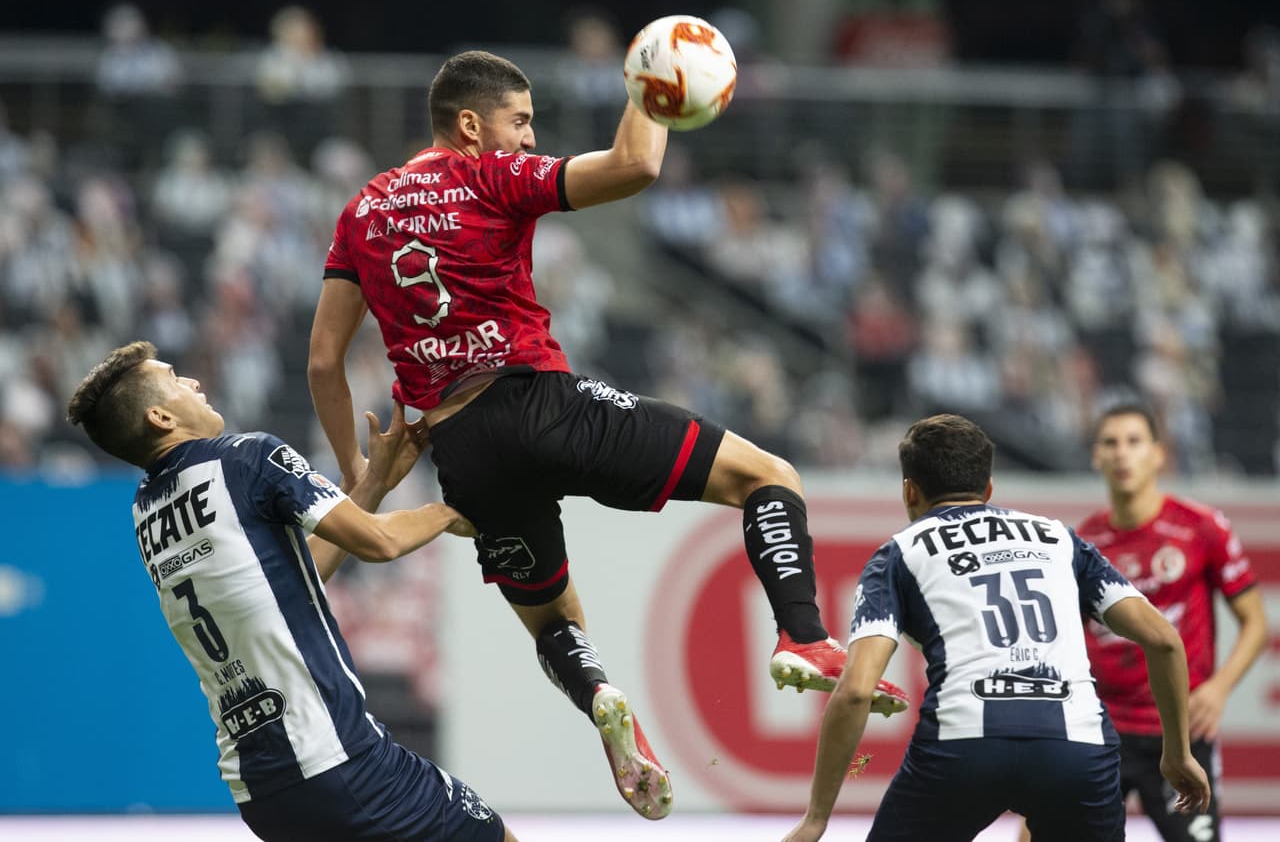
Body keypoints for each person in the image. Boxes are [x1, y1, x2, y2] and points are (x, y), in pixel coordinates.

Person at [307, 49, 909, 820]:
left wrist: (356, 470)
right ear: (471, 126)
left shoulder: (361, 212)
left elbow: (323, 360)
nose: (529, 138)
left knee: (553, 618)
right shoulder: (489, 175)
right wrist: (650, 84)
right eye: (520, 121)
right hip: (544, 405)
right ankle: (802, 635)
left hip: (461, 452)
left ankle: (600, 697)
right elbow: (635, 165)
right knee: (768, 476)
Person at [66, 341, 515, 842]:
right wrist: (449, 513)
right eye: (174, 379)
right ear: (161, 417)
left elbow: (295, 581)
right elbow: (381, 543)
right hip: (341, 761)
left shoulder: (146, 511)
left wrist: (373, 483)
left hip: (261, 793)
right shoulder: (248, 457)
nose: (192, 382)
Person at [783, 414, 1211, 842]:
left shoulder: (897, 555)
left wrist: (817, 818)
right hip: (1076, 748)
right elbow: (1164, 641)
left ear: (909, 490)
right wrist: (1177, 754)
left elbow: (857, 690)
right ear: (988, 489)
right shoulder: (1059, 539)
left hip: (961, 748)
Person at [1016, 402, 1266, 842]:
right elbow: (1059, 639)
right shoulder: (1083, 543)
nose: (1122, 453)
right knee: (1035, 834)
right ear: (1096, 456)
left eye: (1133, 442)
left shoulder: (1201, 528)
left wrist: (1218, 688)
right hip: (1101, 729)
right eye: (1110, 443)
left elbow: (1256, 623)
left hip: (1180, 732)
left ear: (1158, 453)